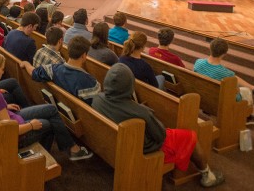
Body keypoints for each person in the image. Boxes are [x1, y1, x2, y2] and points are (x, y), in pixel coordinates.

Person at [92, 64, 225, 188]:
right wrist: (145, 113)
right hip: (141, 150)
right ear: (129, 86)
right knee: (190, 136)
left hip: (113, 143)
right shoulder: (141, 113)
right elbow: (161, 136)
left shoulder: (98, 98)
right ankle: (207, 176)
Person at [0, 51, 93, 161]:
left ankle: (71, 148)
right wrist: (31, 125)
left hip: (11, 117)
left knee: (52, 110)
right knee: (49, 124)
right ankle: (40, 160)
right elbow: (10, 131)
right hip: (16, 135)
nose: (3, 72)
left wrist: (4, 106)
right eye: (2, 69)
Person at [194, 38, 254, 125]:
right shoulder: (227, 73)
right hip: (221, 101)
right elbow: (237, 95)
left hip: (204, 95)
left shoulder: (198, 62)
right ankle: (247, 117)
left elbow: (231, 76)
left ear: (210, 48)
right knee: (245, 91)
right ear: (224, 54)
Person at [22, 36, 100, 105]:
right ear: (83, 55)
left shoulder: (52, 69)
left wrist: (26, 64)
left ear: (69, 51)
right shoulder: (91, 83)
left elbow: (33, 73)